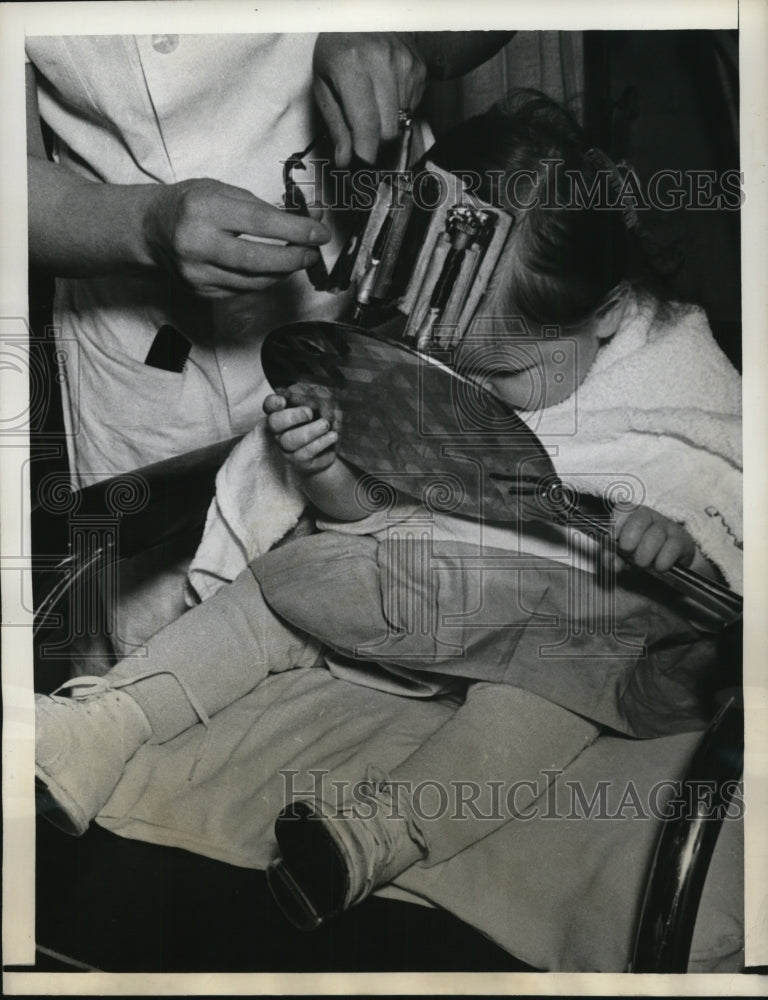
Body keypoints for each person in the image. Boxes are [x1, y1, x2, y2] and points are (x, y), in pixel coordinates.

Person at [34, 91, 742, 930]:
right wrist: (327, 468)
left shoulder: (676, 418)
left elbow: (717, 613)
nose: (473, 395)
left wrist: (678, 553)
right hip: (402, 596)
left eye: (505, 378)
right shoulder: (439, 368)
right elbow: (362, 520)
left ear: (611, 314)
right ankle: (105, 725)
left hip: (543, 643)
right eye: (448, 362)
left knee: (554, 692)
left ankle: (377, 833)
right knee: (268, 592)